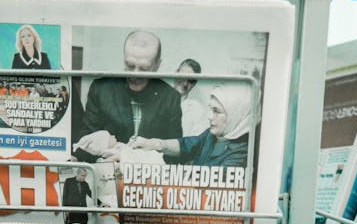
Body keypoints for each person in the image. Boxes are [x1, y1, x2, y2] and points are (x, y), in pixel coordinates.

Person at [73, 29, 182, 162]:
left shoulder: (170, 97)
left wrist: (131, 158)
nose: (135, 74)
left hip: (147, 173)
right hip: (106, 168)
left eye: (144, 68)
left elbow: (174, 154)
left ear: (157, 65)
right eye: (130, 65)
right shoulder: (101, 89)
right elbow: (84, 141)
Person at [131, 81, 253, 169]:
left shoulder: (241, 155)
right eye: (211, 109)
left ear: (236, 114)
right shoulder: (213, 134)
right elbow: (187, 145)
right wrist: (153, 143)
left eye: (217, 111)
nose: (209, 116)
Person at [174, 58, 209, 136]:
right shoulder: (157, 99)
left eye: (191, 81)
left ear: (194, 84)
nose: (185, 84)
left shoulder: (198, 110)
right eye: (183, 76)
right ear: (175, 73)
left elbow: (196, 141)